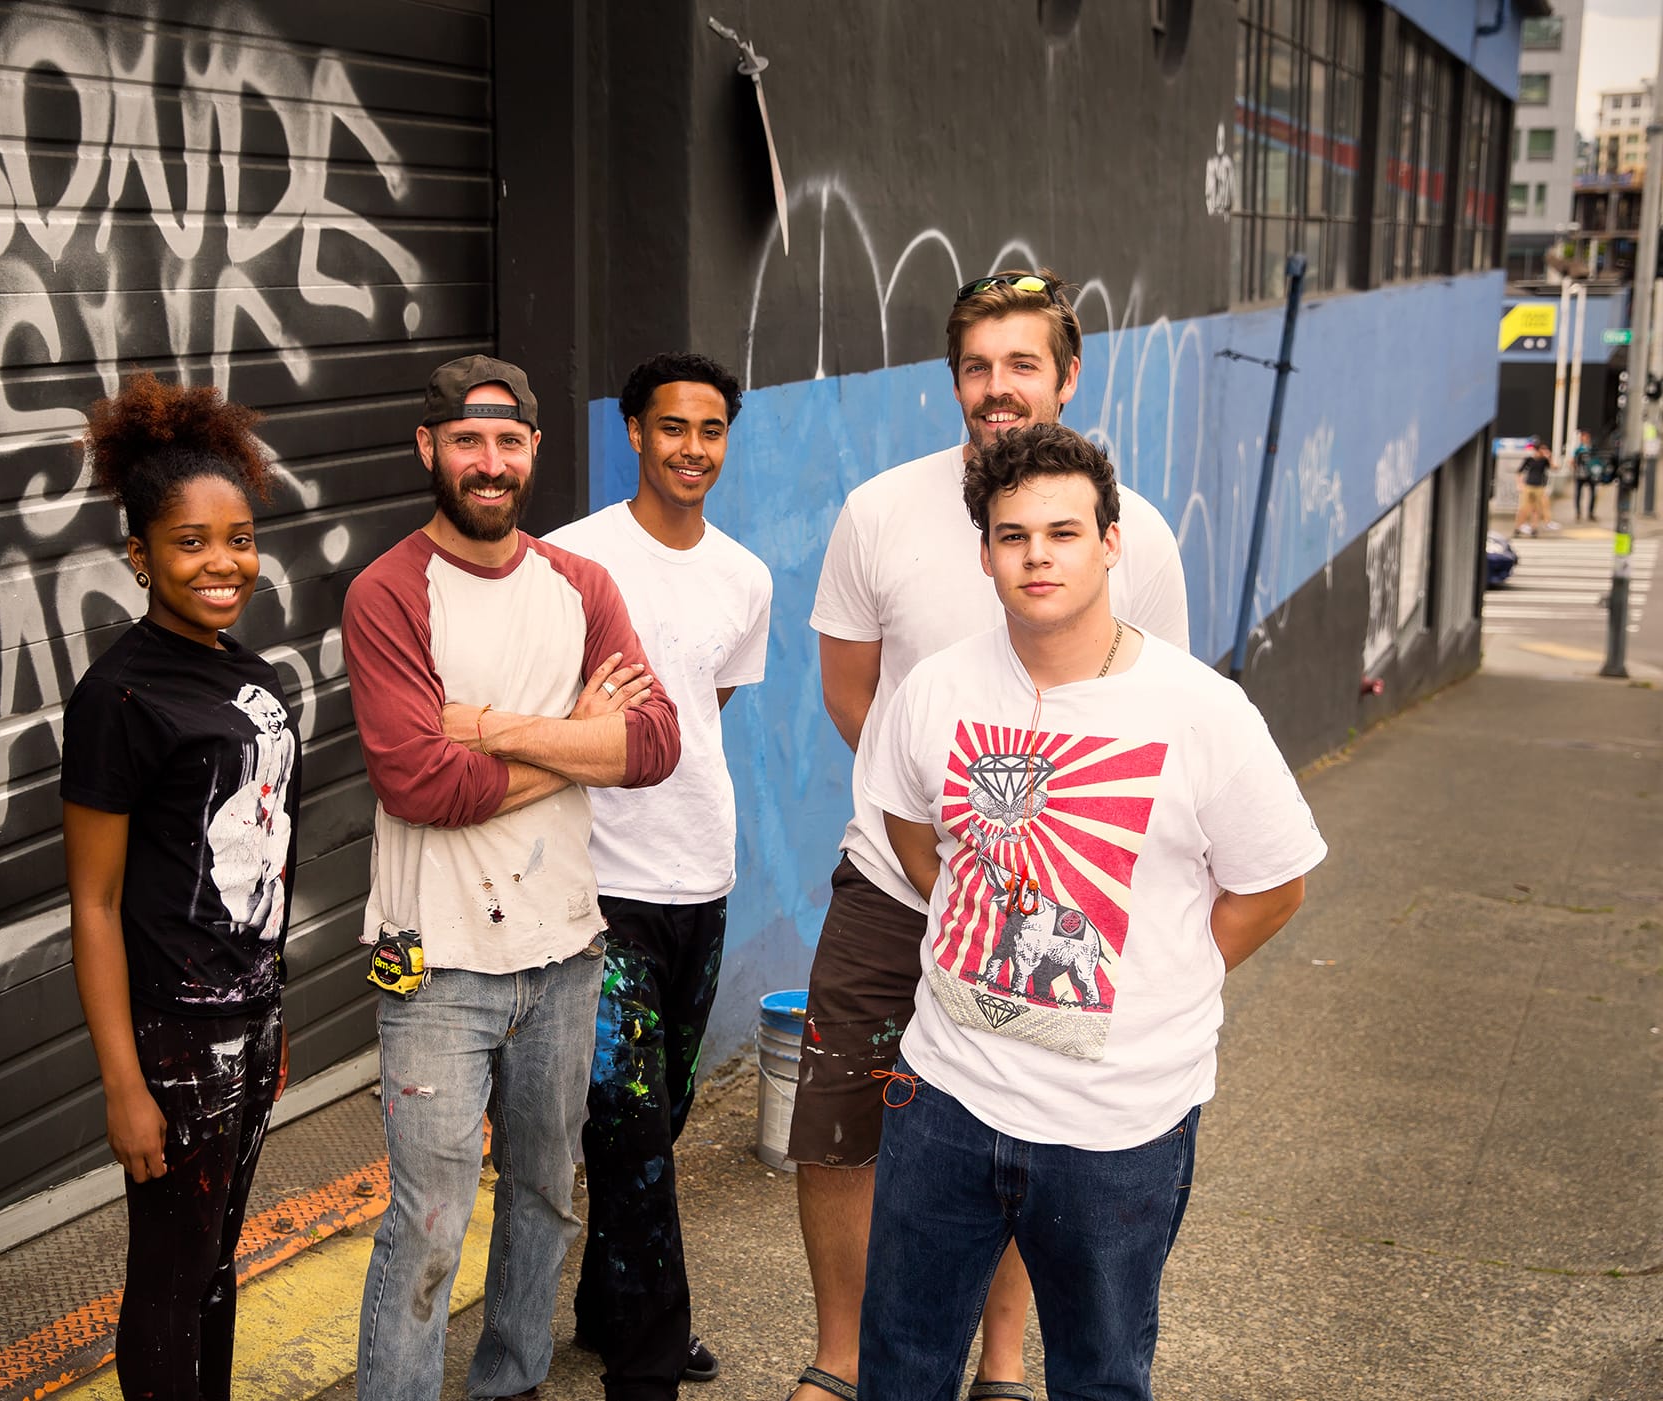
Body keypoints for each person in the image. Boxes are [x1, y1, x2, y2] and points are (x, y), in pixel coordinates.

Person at [859, 423, 1325, 1400]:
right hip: (942, 1098)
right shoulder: (936, 689)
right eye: (1011, 535)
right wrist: (964, 911)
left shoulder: (1201, 713)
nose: (1036, 555)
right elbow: (909, 827)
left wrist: (1161, 977)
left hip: (1117, 1124)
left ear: (1110, 542)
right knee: (899, 1370)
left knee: (1099, 1380)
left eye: (1062, 533)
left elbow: (1272, 884)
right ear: (983, 552)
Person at [790, 271, 1190, 1401]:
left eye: (1022, 365)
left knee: (1026, 1130)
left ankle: (1001, 1365)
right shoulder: (879, 510)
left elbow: (1156, 714)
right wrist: (949, 828)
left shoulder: (1134, 537)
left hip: (1048, 905)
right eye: (977, 366)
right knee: (836, 1122)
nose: (996, 388)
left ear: (1066, 376)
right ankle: (839, 1359)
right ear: (953, 380)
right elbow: (852, 696)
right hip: (891, 878)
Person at [342, 354, 683, 1401]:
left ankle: (512, 1383)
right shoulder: (387, 592)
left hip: (565, 950)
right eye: (464, 441)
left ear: (533, 449)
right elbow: (419, 783)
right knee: (430, 1219)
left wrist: (492, 731)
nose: (487, 463)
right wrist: (578, 740)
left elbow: (655, 742)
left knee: (545, 1194)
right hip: (431, 959)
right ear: (427, 450)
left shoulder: (580, 587)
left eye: (507, 441)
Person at [60, 373, 301, 1401]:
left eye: (239, 537)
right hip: (172, 1038)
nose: (222, 562)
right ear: (140, 556)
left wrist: (269, 1022)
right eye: (191, 542)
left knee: (214, 1266)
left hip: (251, 1019)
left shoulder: (253, 676)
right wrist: (124, 1085)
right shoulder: (119, 694)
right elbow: (95, 903)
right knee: (167, 1279)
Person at [543, 352, 773, 1401]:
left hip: (700, 876)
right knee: (627, 1128)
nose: (692, 448)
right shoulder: (569, 560)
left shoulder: (743, 576)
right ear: (631, 431)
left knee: (662, 1116)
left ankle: (608, 1303)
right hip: (598, 888)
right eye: (672, 427)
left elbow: (699, 713)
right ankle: (645, 1366)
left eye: (711, 429)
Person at [1515, 440, 1555, 536]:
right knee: (1523, 508)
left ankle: (1534, 528)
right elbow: (1519, 471)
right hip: (1528, 486)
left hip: (1539, 486)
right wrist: (1520, 484)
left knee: (1536, 509)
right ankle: (1518, 527)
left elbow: (1554, 467)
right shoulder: (1529, 459)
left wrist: (1549, 457)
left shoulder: (1544, 461)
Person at [1571, 430, 1604, 522]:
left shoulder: (1593, 449)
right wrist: (1575, 467)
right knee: (1578, 494)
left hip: (1591, 474)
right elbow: (1573, 461)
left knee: (1593, 494)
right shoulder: (1578, 449)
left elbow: (1598, 460)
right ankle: (1578, 513)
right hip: (1580, 474)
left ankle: (1591, 513)